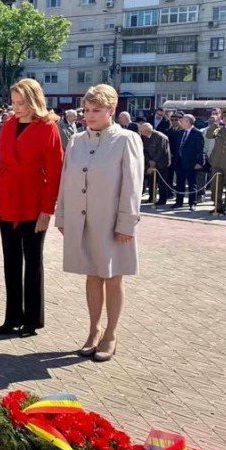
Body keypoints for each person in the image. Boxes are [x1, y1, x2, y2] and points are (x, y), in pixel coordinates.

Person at [56, 84, 144, 362]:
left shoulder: (127, 139)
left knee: (113, 276)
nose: (89, 115)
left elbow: (133, 185)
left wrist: (126, 223)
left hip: (112, 220)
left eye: (96, 110)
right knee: (92, 274)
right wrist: (63, 215)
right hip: (82, 220)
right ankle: (94, 329)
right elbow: (66, 179)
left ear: (112, 110)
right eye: (86, 110)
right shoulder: (76, 140)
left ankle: (111, 334)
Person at [0, 79, 63, 337]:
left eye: (21, 102)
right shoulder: (9, 125)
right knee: (10, 261)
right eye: (14, 102)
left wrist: (47, 210)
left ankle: (32, 320)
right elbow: (1, 165)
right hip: (9, 199)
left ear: (34, 100)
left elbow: (55, 172)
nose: (16, 107)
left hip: (34, 201)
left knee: (32, 261)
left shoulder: (48, 127)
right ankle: (12, 317)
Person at [172, 114, 205, 210]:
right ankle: (179, 202)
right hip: (179, 162)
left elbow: (200, 149)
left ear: (189, 122)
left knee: (192, 184)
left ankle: (192, 202)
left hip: (192, 163)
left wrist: (200, 162)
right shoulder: (180, 132)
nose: (181, 122)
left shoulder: (197, 133)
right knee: (179, 183)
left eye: (183, 120)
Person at [139, 123, 171, 206]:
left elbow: (162, 151)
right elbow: (145, 150)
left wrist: (154, 161)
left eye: (142, 131)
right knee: (151, 181)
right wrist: (149, 161)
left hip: (162, 163)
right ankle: (152, 198)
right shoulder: (145, 137)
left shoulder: (160, 137)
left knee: (161, 182)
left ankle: (162, 200)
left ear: (147, 130)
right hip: (150, 163)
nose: (141, 133)